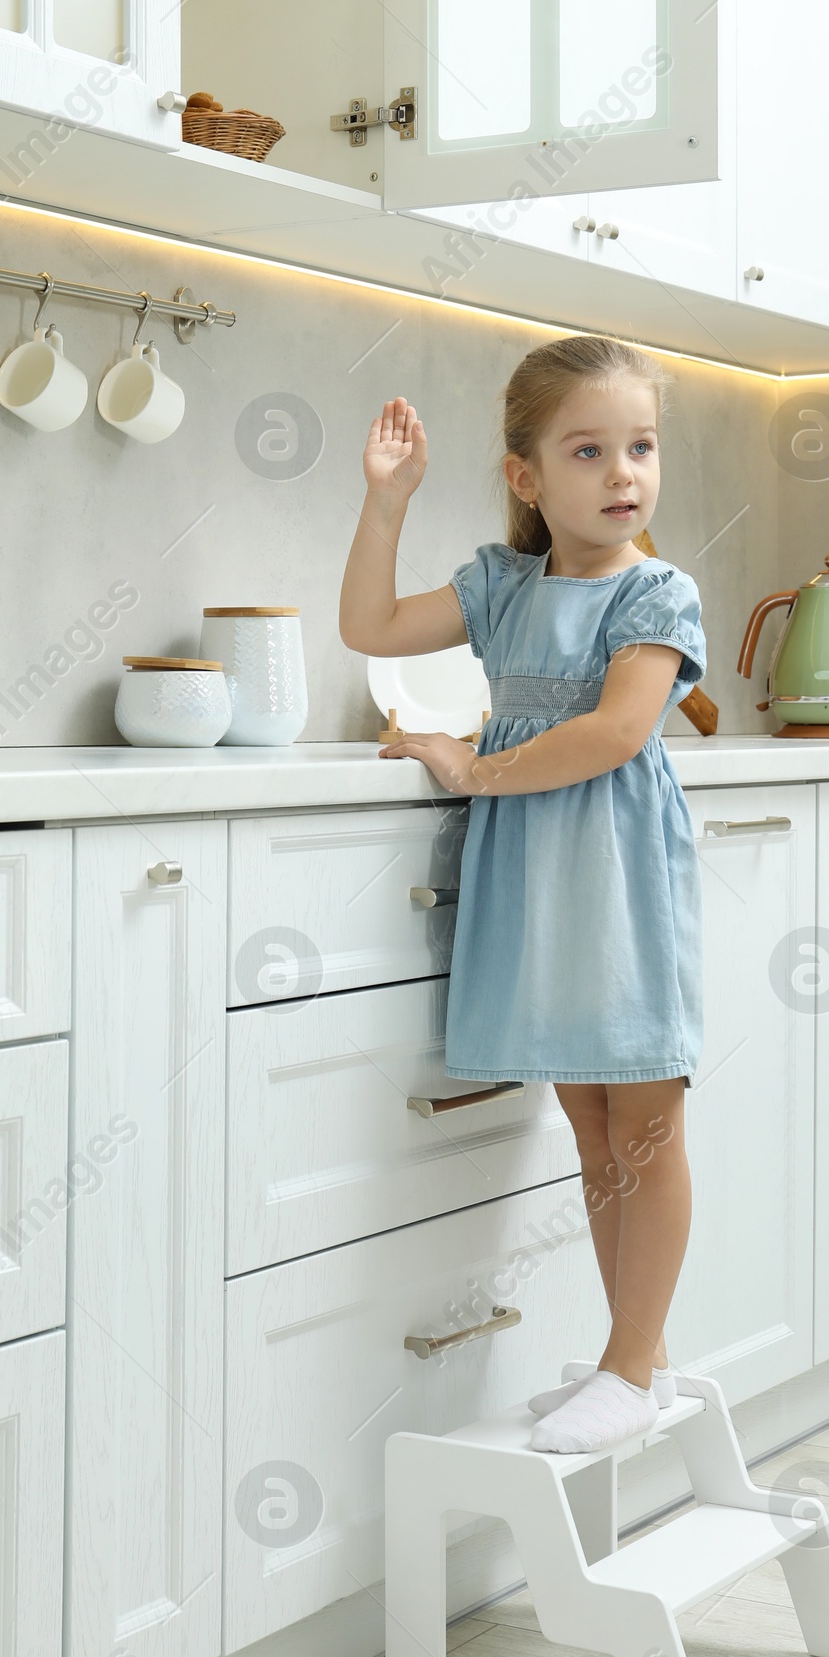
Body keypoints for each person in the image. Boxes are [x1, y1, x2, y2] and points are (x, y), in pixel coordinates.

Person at [338, 334, 706, 1453]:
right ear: (526, 476)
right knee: (589, 1121)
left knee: (642, 1115)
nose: (621, 474)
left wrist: (472, 766)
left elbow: (615, 732)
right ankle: (622, 1360)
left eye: (638, 447)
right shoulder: (501, 586)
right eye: (588, 451)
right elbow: (369, 629)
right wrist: (387, 502)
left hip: (615, 875)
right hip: (534, 877)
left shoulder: (656, 589)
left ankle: (632, 1365)